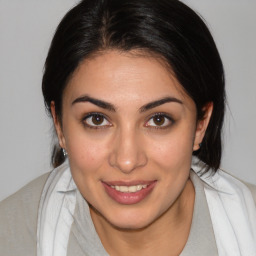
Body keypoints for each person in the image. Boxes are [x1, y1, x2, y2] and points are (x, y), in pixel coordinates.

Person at [0, 0, 255, 255]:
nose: (127, 160)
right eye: (97, 120)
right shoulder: (9, 238)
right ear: (60, 125)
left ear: (201, 125)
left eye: (158, 120)